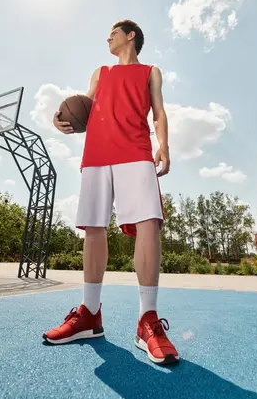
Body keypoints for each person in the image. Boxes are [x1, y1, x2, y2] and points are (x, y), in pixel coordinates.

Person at [43, 20, 179, 365]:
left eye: (114, 32)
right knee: (93, 227)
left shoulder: (150, 71)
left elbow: (159, 112)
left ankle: (147, 319)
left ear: (130, 36)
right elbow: (85, 106)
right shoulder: (101, 72)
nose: (108, 37)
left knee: (148, 222)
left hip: (135, 150)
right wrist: (63, 120)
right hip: (97, 153)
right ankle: (89, 314)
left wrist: (163, 144)